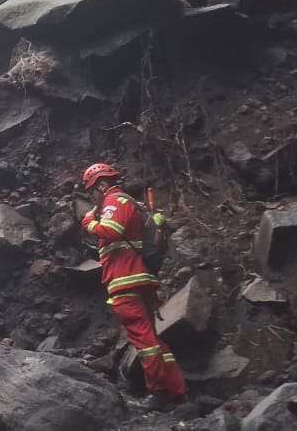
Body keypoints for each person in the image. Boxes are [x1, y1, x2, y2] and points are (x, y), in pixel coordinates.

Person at [81, 163, 187, 411]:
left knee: (144, 340)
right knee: (152, 339)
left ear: (102, 185)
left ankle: (158, 393)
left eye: (91, 192)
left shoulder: (114, 200)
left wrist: (89, 222)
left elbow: (111, 230)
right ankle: (177, 391)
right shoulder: (127, 203)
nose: (91, 198)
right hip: (138, 279)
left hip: (125, 281)